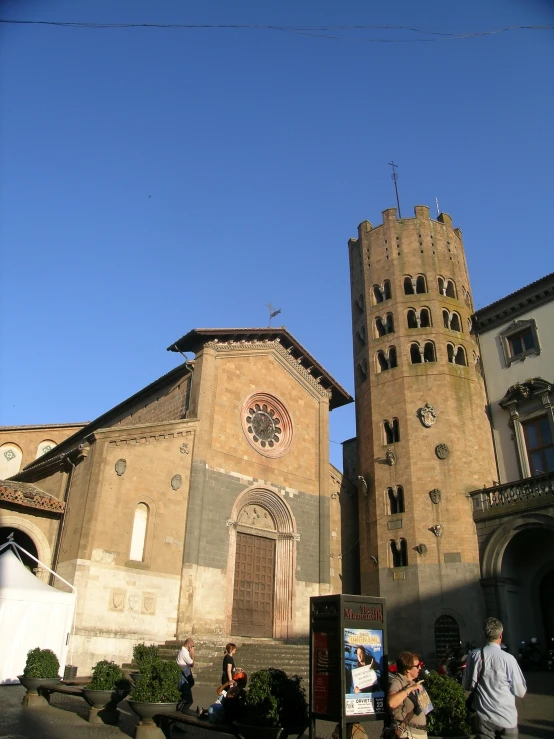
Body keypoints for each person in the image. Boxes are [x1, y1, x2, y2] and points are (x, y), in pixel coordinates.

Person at [463, 617, 527, 739]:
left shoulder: (475, 656)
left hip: (484, 717)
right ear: (501, 635)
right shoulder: (509, 659)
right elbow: (521, 691)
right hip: (507, 718)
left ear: (484, 635)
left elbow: (467, 685)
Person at [388, 651, 428, 737]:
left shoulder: (415, 683)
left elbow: (427, 709)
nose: (420, 668)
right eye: (417, 666)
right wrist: (409, 689)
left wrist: (422, 695)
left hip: (420, 733)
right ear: (408, 669)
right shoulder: (397, 682)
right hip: (407, 733)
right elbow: (391, 703)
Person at [176, 637, 195, 709]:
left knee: (184, 696)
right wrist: (192, 655)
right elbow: (192, 664)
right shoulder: (184, 653)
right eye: (192, 646)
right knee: (189, 700)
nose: (193, 648)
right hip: (183, 678)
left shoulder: (183, 652)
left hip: (185, 676)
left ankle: (181, 709)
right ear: (189, 645)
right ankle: (183, 711)